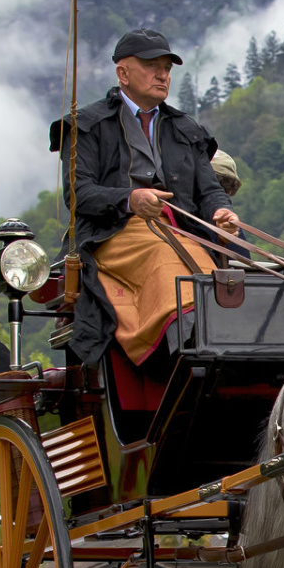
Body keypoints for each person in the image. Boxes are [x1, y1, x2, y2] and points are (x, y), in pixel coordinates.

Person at [51, 28, 242, 366]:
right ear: (123, 73)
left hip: (182, 229)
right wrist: (130, 200)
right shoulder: (87, 125)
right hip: (112, 233)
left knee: (246, 265)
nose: (162, 75)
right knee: (166, 257)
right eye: (151, 65)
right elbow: (78, 194)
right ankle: (187, 345)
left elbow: (210, 191)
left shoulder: (187, 130)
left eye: (167, 68)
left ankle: (243, 346)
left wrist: (222, 214)